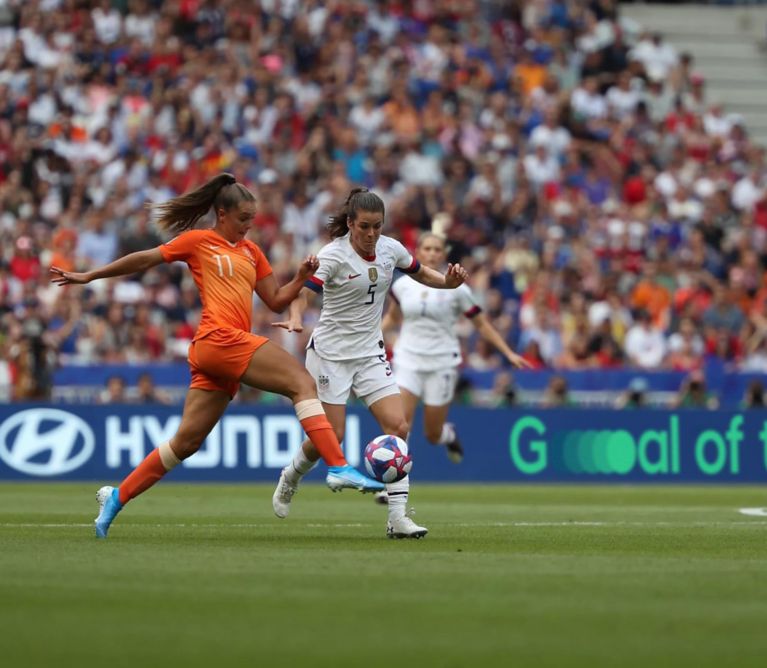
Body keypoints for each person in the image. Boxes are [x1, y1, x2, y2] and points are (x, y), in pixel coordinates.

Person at [50, 173, 384, 539]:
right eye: (243, 219)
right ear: (221, 214)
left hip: (221, 352)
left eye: (252, 221)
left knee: (186, 443)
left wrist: (302, 276)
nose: (247, 227)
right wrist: (90, 276)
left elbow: (275, 300)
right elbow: (146, 259)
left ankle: (116, 496)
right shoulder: (198, 242)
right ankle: (337, 465)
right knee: (301, 383)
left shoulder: (252, 252)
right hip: (219, 338)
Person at [271, 188, 468, 539]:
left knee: (398, 425)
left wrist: (447, 283)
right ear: (350, 224)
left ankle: (397, 519)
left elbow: (421, 272)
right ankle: (290, 477)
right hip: (331, 356)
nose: (372, 234)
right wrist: (297, 317)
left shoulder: (391, 249)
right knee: (330, 438)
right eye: (364, 226)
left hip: (370, 354)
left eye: (378, 226)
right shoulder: (333, 256)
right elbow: (301, 292)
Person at [382, 233, 530, 465]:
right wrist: (372, 337)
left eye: (437, 249)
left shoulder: (457, 288)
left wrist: (507, 352)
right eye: (427, 248)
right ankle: (393, 482)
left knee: (432, 434)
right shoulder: (401, 285)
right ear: (417, 252)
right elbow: (392, 317)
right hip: (408, 359)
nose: (431, 253)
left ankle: (448, 434)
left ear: (444, 254)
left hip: (442, 363)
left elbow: (480, 323)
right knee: (401, 423)